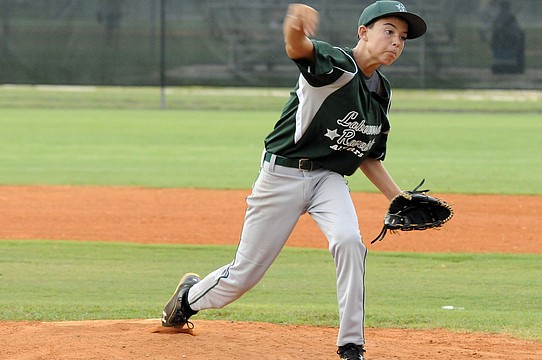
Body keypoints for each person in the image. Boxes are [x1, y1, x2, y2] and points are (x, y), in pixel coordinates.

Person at [160, 2, 427, 359]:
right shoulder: (336, 65)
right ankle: (187, 299)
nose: (396, 42)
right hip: (282, 175)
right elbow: (297, 48)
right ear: (363, 33)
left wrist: (398, 198)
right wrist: (295, 24)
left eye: (403, 37)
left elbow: (366, 152)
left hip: (328, 179)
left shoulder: (381, 90)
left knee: (350, 242)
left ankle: (351, 345)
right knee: (244, 275)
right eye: (389, 31)